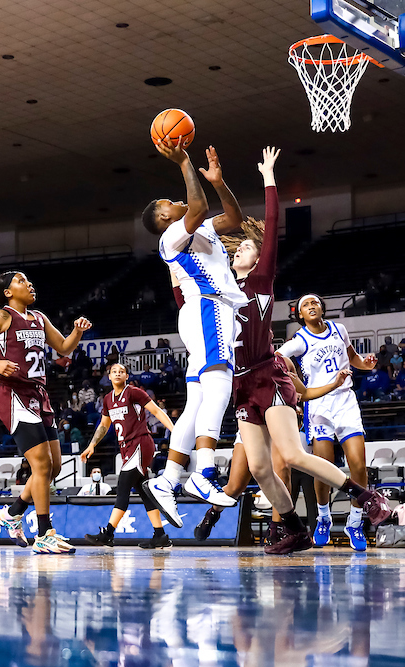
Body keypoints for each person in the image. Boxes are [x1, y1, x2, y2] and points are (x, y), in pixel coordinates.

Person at [174, 148, 389, 553]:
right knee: (258, 467)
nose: (241, 250)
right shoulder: (212, 291)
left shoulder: (261, 282)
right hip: (235, 385)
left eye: (247, 249)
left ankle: (365, 496)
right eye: (236, 249)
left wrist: (268, 178)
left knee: (289, 454)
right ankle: (293, 528)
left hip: (265, 374)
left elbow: (271, 226)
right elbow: (181, 290)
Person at [140, 139, 247, 516]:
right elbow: (197, 205)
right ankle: (204, 471)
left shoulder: (202, 228)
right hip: (206, 306)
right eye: (169, 202)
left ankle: (167, 480)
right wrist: (184, 160)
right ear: (164, 219)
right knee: (220, 378)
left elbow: (233, 219)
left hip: (202, 313)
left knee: (198, 400)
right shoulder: (172, 237)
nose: (176, 199)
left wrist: (218, 182)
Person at [0, 271, 91, 554]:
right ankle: (44, 533)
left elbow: (63, 348)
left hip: (40, 395)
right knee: (42, 466)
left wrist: (77, 332)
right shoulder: (0, 317)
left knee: (53, 467)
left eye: (30, 280)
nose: (30, 284)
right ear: (7, 292)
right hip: (14, 395)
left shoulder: (40, 318)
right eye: (21, 281)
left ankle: (12, 513)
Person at [277, 293, 380, 551]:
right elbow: (276, 357)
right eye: (305, 305)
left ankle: (354, 523)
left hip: (345, 400)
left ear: (322, 308)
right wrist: (290, 375)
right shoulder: (299, 340)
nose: (311, 306)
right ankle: (323, 517)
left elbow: (353, 358)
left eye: (315, 303)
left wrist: (365, 365)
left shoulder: (339, 329)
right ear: (300, 314)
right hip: (320, 404)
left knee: (358, 466)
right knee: (323, 467)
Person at [80, 363, 175, 546]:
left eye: (121, 372)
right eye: (114, 371)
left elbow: (156, 410)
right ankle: (160, 535)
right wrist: (92, 445)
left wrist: (174, 431)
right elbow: (103, 426)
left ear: (127, 376)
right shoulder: (107, 399)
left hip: (140, 443)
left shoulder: (134, 392)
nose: (117, 374)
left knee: (123, 487)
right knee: (143, 491)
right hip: (127, 449)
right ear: (109, 376)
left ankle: (108, 533)